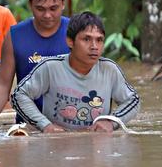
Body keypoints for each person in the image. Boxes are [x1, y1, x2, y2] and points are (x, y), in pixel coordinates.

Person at [11, 12, 140, 132]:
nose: (94, 46)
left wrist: (111, 122)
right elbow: (18, 95)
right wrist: (45, 125)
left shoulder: (109, 70)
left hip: (98, 148)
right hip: (57, 145)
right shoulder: (50, 68)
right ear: (70, 41)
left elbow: (133, 100)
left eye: (99, 40)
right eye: (87, 39)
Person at [0, 0, 70, 125]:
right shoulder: (15, 35)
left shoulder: (76, 32)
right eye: (40, 9)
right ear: (31, 5)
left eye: (53, 8)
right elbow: (3, 85)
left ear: (63, 4)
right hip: (28, 124)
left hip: (68, 122)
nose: (47, 15)